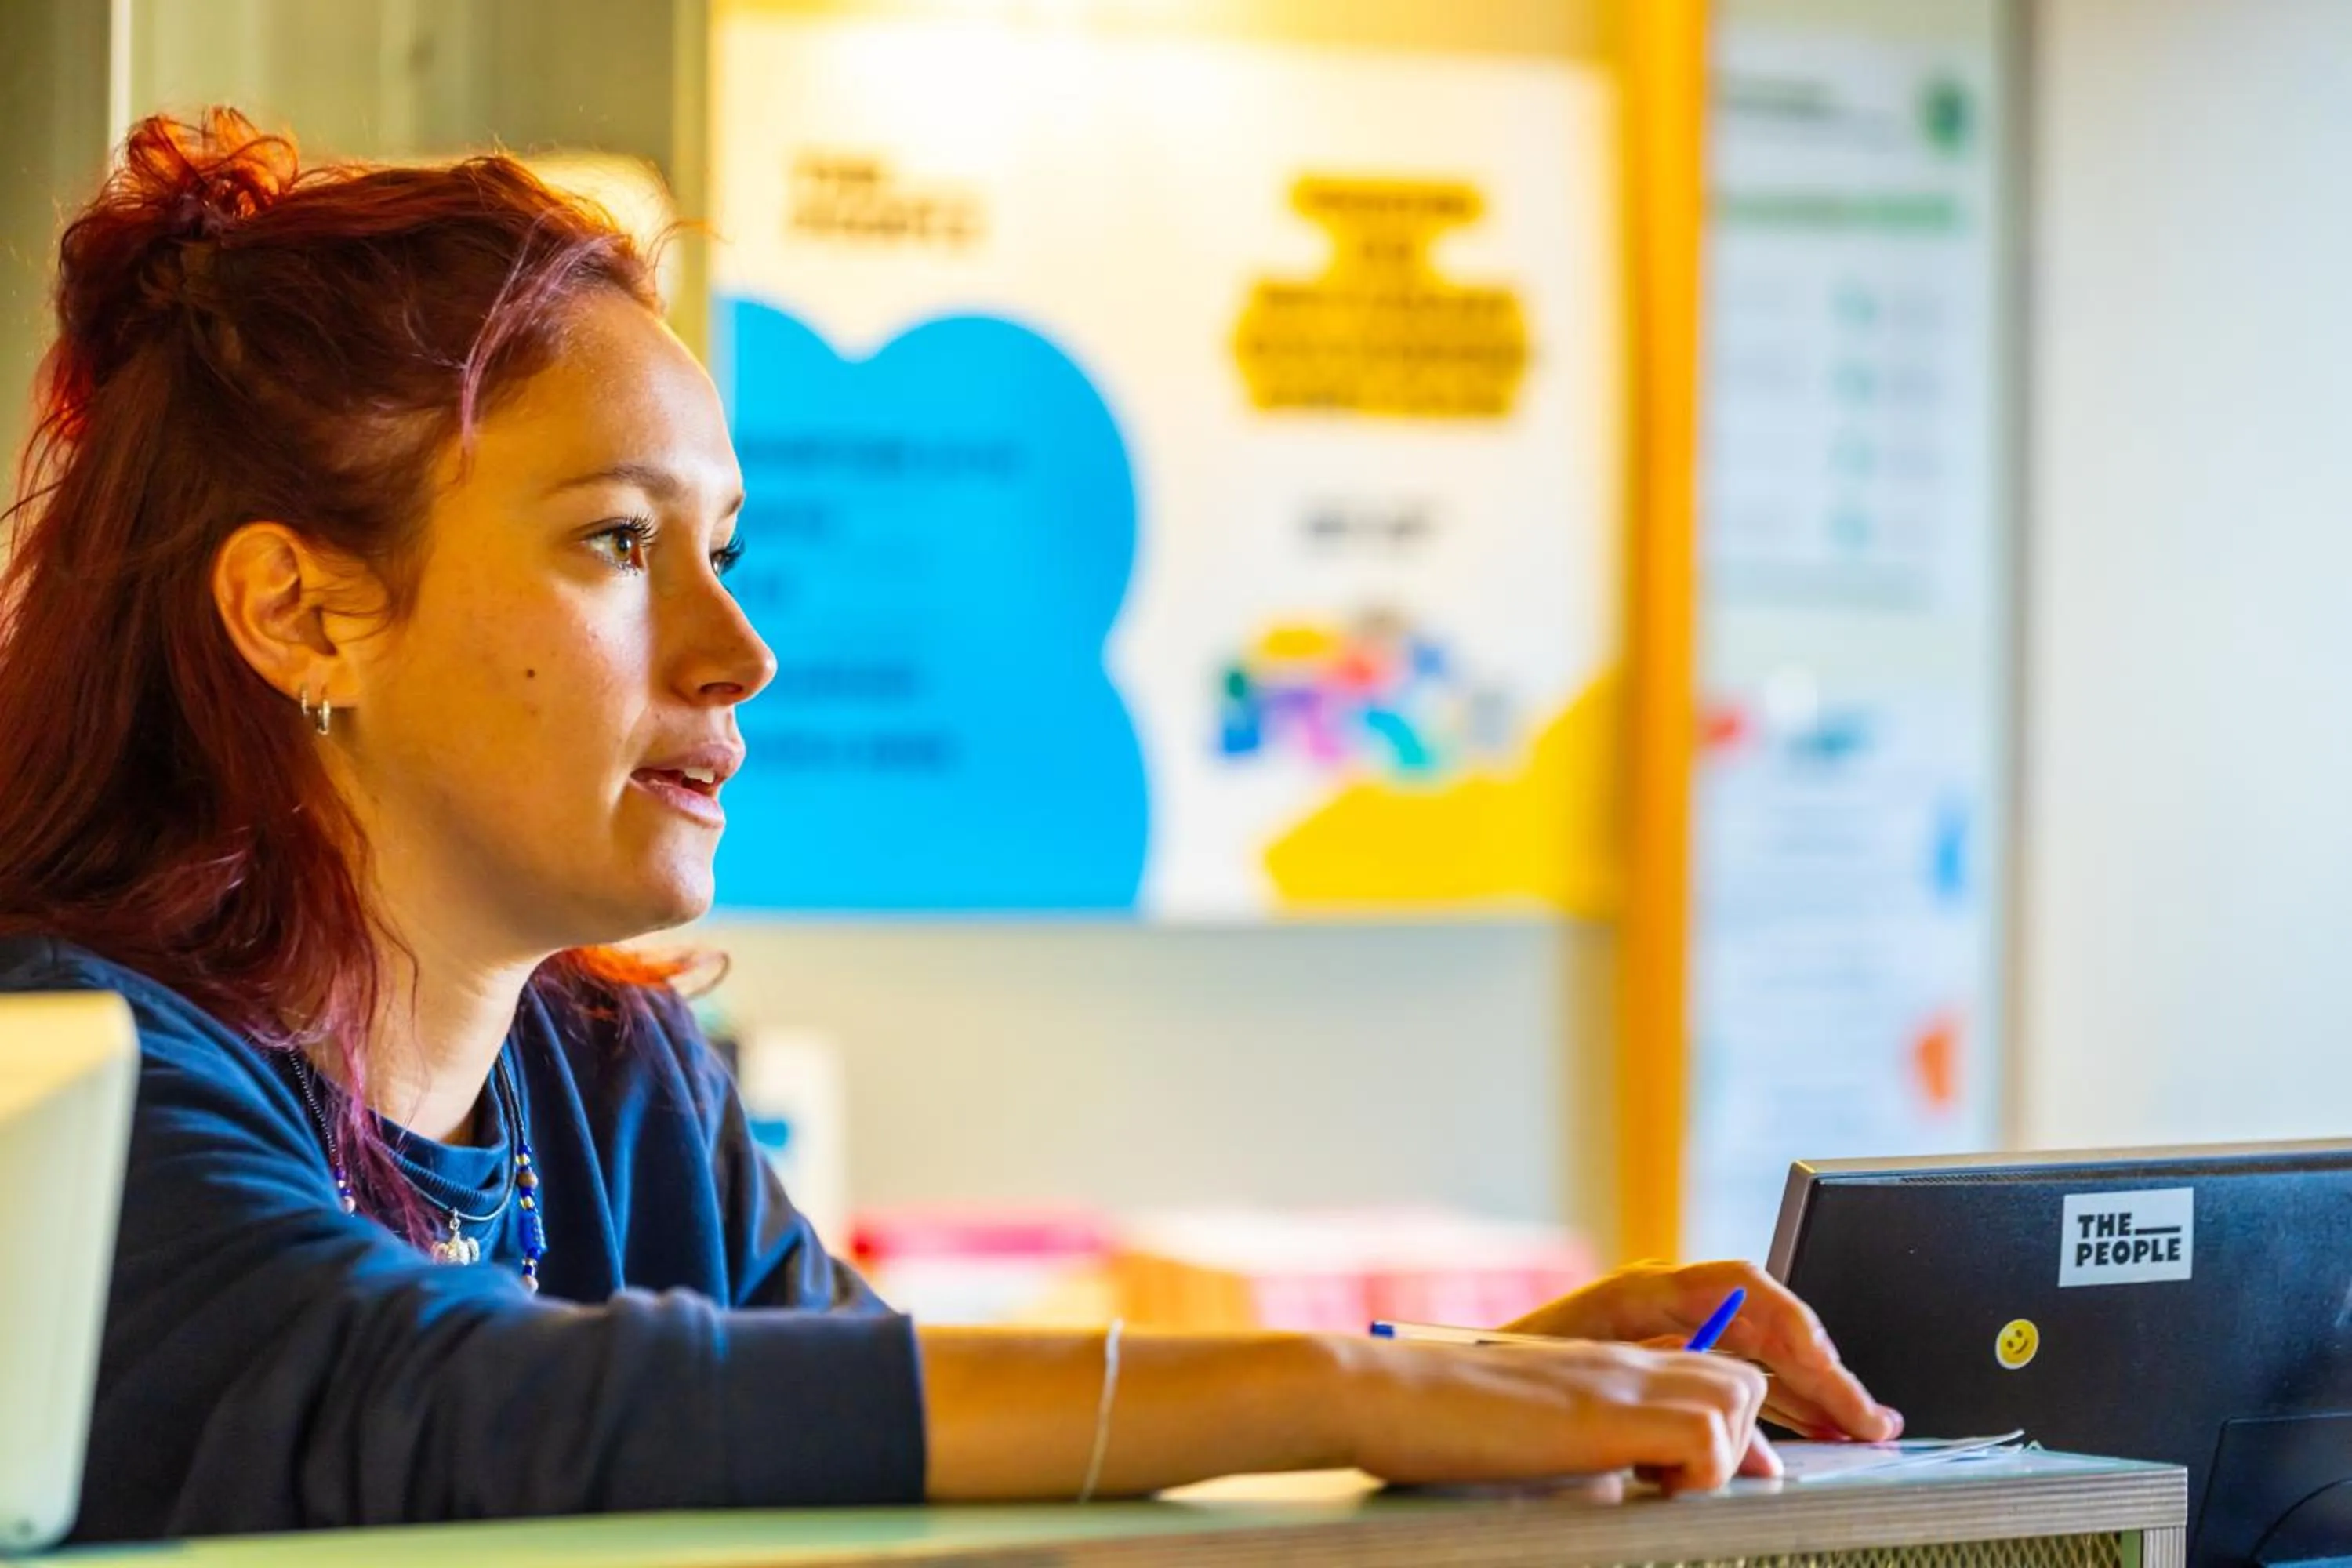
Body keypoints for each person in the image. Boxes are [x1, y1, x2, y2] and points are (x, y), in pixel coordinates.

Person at [0, 110, 1900, 1542]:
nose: (737, 651)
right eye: (614, 545)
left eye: (720, 552)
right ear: (300, 611)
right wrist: (1343, 1385)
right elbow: (446, 1399)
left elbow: (888, 1464)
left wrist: (1462, 1394)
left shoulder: (611, 1070)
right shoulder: (64, 1061)